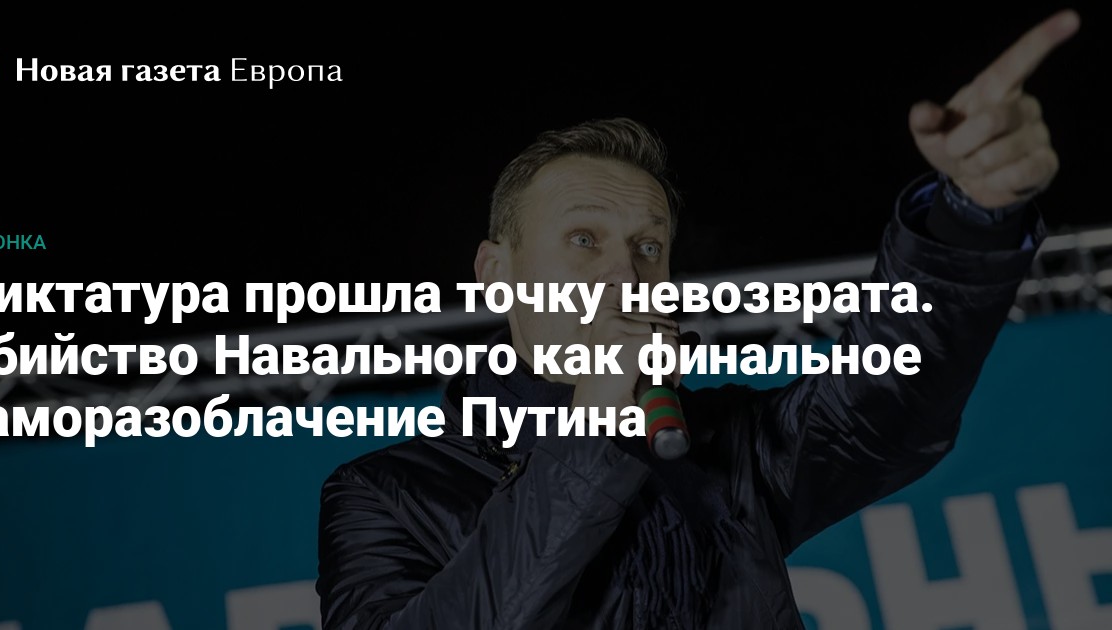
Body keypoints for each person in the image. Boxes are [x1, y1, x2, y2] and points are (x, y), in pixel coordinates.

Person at [315, 11, 1079, 629]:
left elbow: (891, 398)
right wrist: (590, 436)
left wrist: (971, 216)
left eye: (648, 247)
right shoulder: (383, 492)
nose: (624, 273)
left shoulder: (725, 446)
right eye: (584, 240)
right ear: (496, 271)